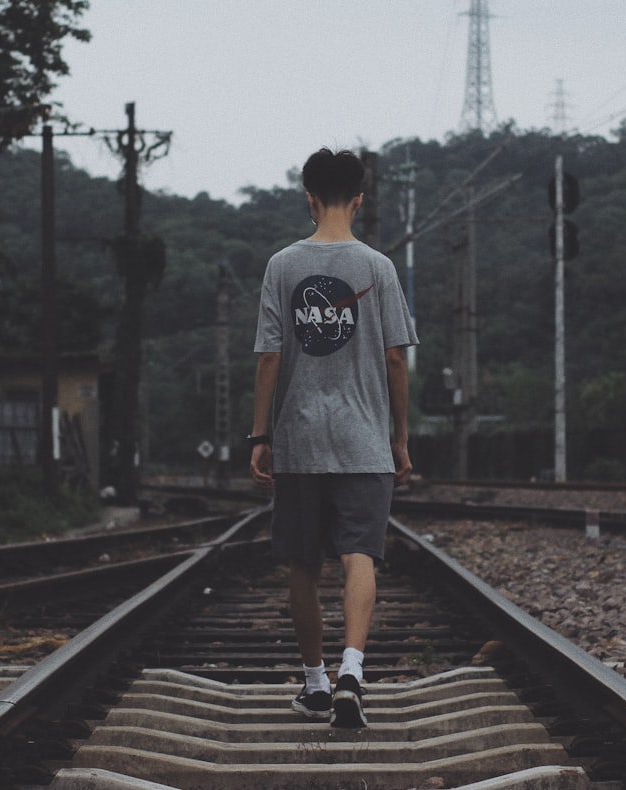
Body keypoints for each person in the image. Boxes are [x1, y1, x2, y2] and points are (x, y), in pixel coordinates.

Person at [249, 147, 418, 729]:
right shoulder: (379, 267)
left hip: (298, 438)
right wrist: (399, 439)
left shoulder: (282, 266)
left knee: (302, 563)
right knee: (360, 554)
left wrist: (259, 433)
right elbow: (397, 360)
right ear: (361, 199)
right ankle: (352, 671)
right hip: (365, 439)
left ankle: (316, 683)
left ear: (310, 198)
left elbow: (268, 357)